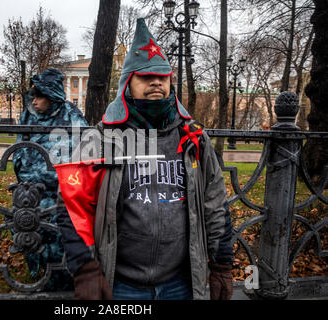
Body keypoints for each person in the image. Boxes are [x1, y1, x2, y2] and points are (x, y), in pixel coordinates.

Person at [55, 18, 233, 300]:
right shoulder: (100, 139)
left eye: (162, 76)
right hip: (120, 285)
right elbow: (71, 205)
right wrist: (84, 266)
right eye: (145, 76)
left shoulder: (193, 138)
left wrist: (222, 264)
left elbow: (215, 203)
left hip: (181, 283)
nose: (156, 82)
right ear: (128, 82)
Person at [12, 68, 88, 291]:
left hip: (60, 193)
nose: (34, 101)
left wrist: (52, 176)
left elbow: (82, 154)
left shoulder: (71, 115)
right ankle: (40, 279)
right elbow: (19, 151)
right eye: (33, 96)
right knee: (30, 234)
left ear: (52, 96)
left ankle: (62, 285)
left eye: (39, 96)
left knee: (60, 238)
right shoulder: (29, 116)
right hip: (31, 192)